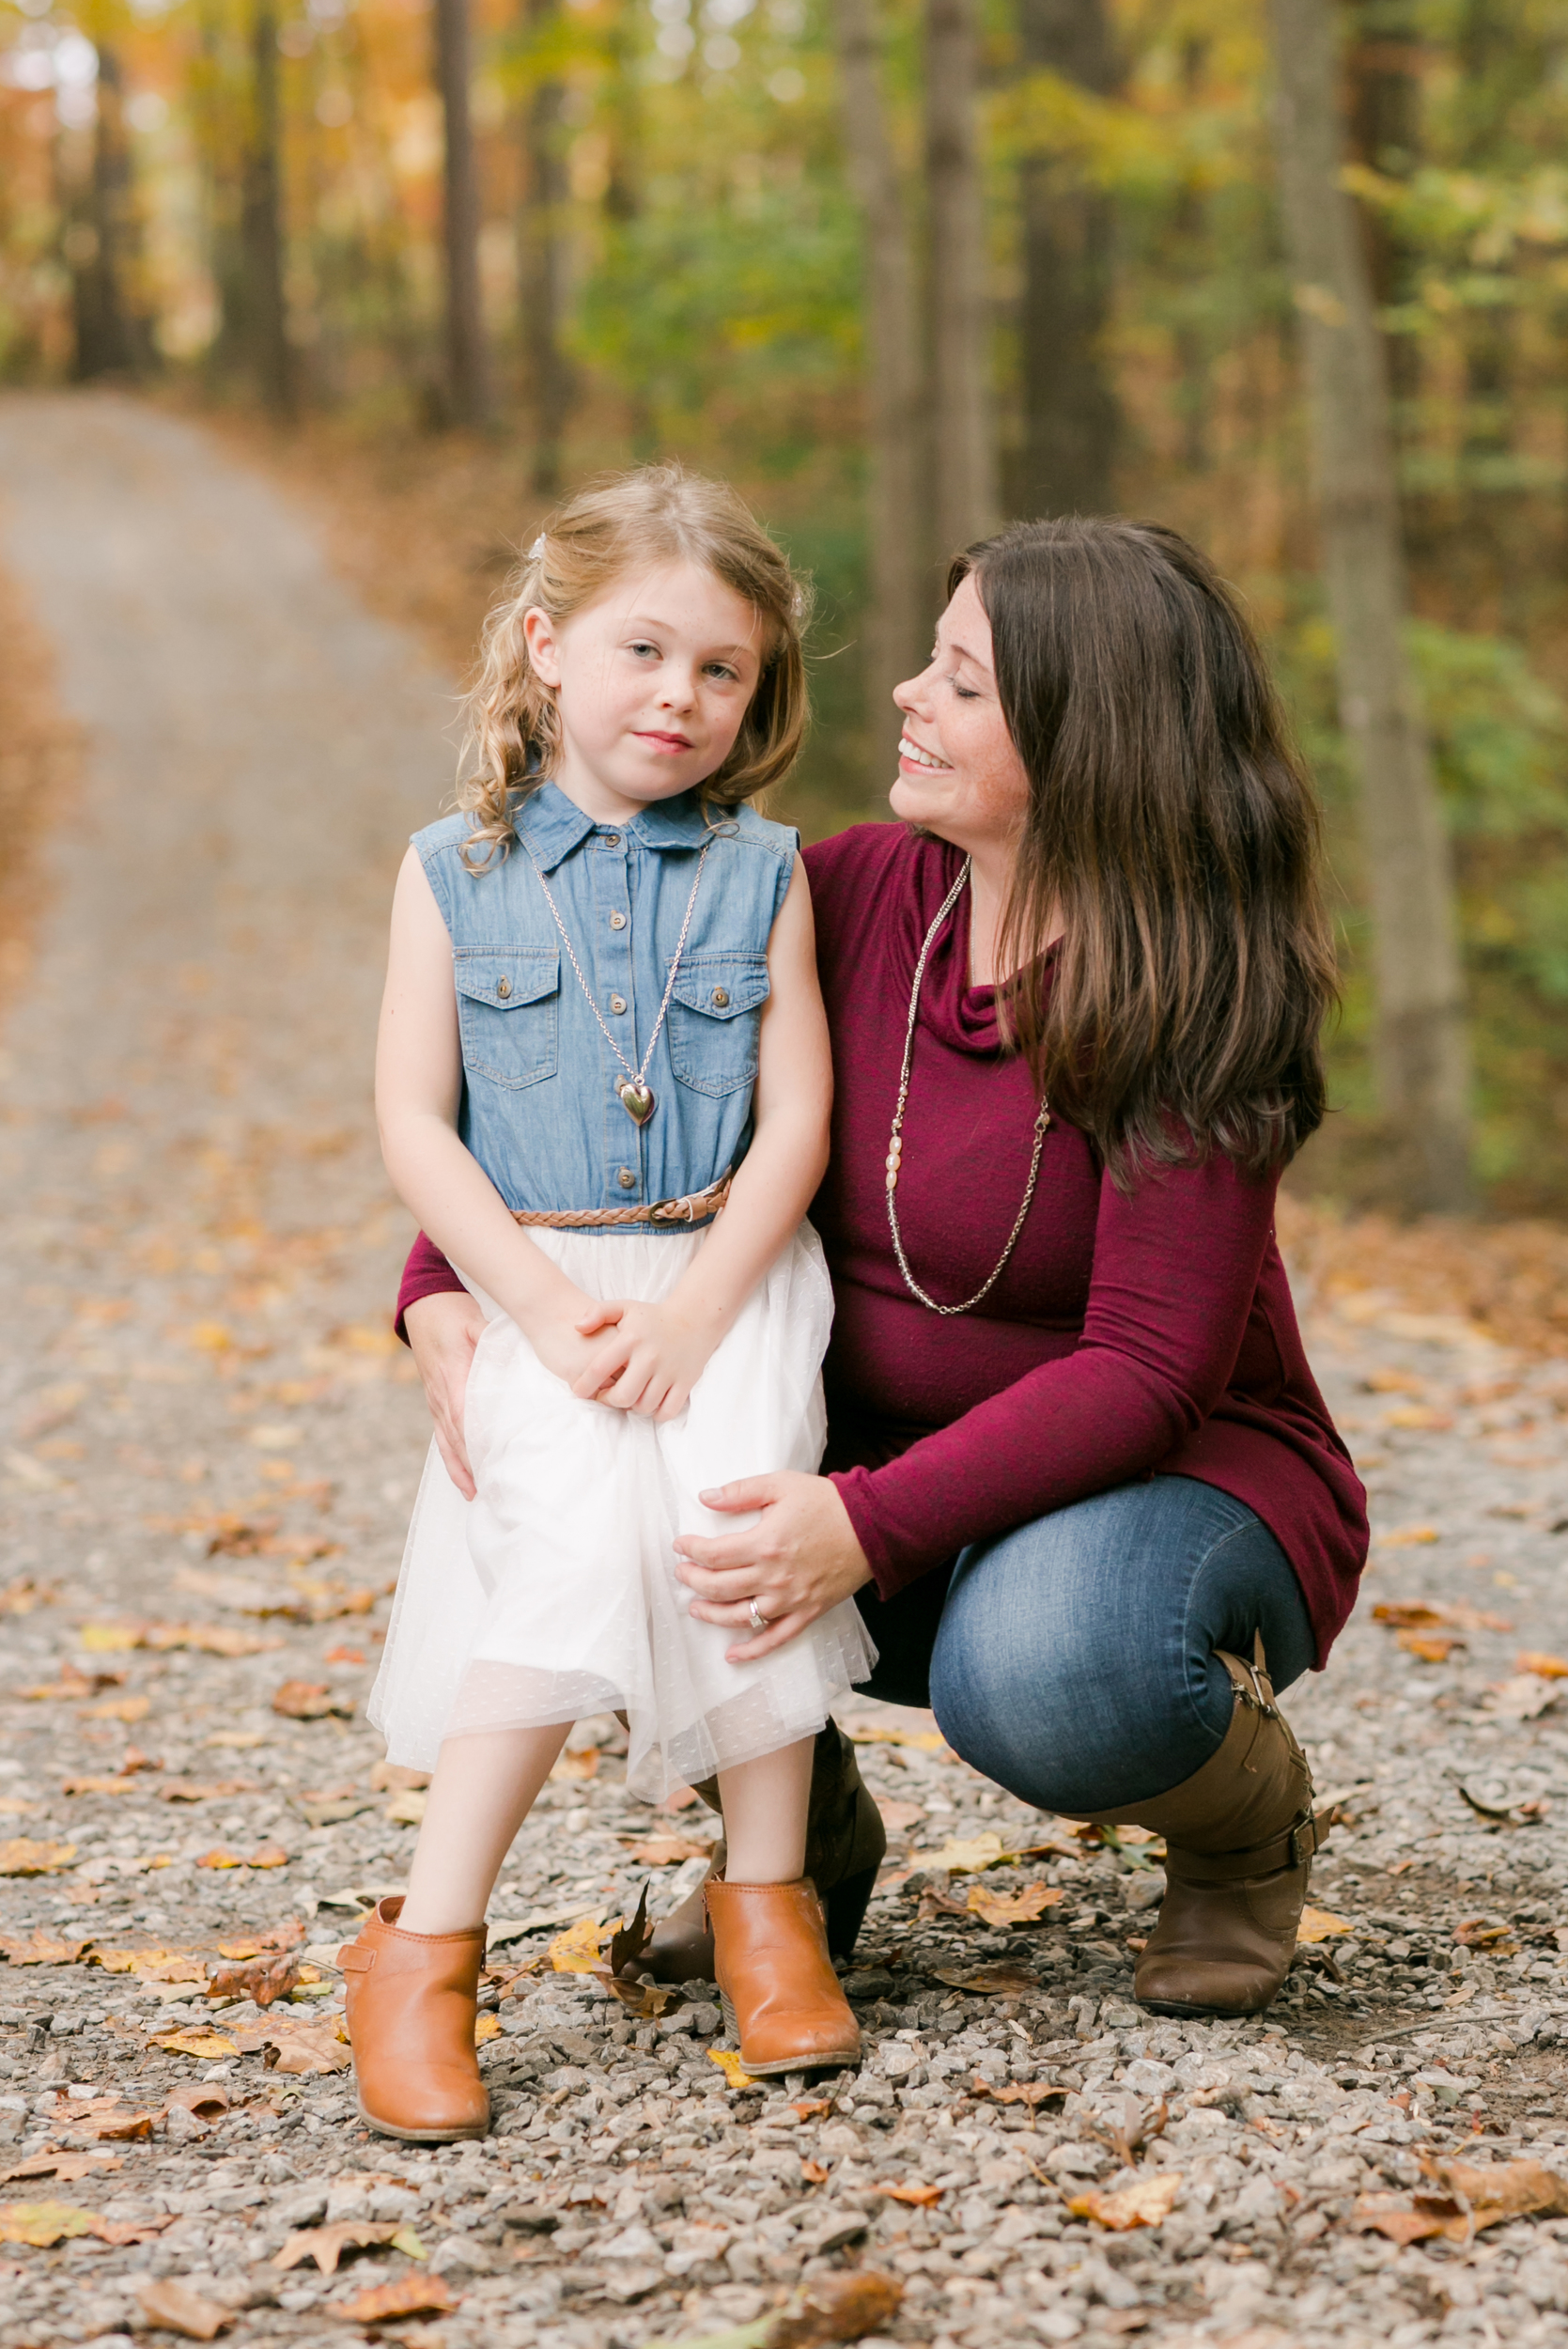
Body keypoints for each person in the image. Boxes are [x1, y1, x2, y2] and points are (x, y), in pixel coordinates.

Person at [397, 514, 1369, 2026]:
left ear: (1084, 733)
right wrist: (443, 1288)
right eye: (932, 659)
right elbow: (594, 1090)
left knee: (1047, 1672)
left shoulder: (1199, 994)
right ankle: (800, 1854)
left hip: (1158, 1478)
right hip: (863, 1460)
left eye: (963, 681)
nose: (907, 695)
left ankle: (1240, 1834)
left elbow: (1150, 1371)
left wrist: (860, 1523)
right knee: (637, 1488)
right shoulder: (846, 894)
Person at [347, 464, 880, 2145]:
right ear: (545, 649)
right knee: (567, 1550)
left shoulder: (765, 870)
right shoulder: (450, 868)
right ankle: (425, 1952)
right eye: (645, 653)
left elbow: (795, 1113)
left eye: (721, 671)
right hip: (548, 1281)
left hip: (727, 1277)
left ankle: (767, 1912)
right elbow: (413, 1121)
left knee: (741, 1547)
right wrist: (534, 1303)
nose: (681, 696)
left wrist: (706, 1304)